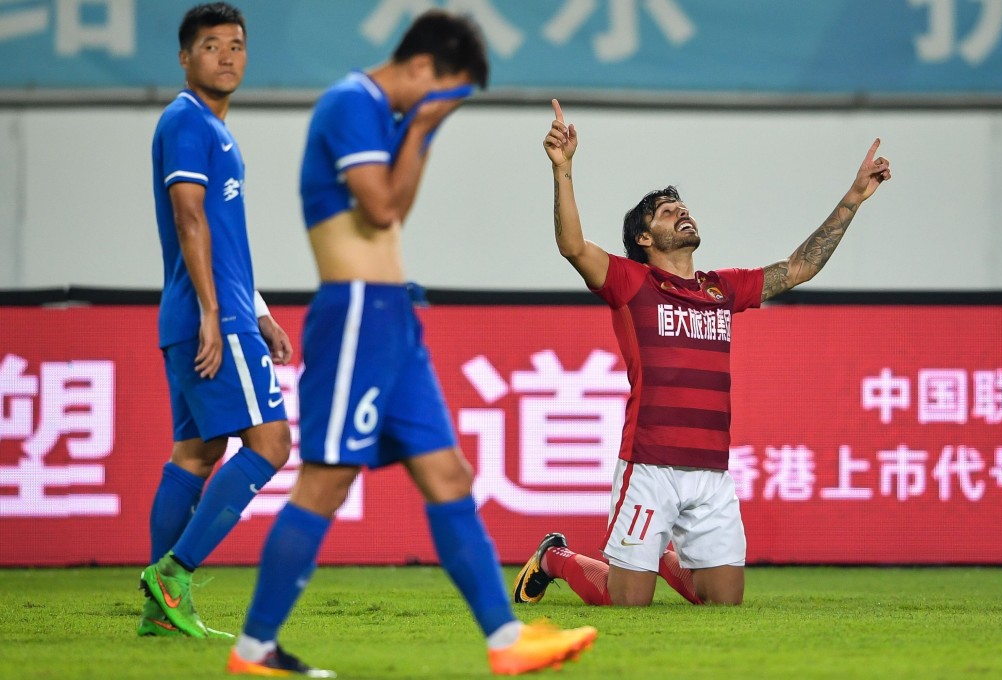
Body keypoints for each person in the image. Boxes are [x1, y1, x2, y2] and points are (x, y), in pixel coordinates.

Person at [226, 12, 597, 678]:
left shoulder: (385, 117)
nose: (445, 109)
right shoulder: (349, 103)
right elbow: (382, 209)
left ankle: (505, 640)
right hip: (357, 314)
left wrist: (421, 124)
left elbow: (391, 209)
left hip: (393, 315)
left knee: (449, 475)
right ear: (423, 69)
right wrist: (426, 125)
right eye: (448, 93)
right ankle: (254, 650)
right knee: (325, 483)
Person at [514, 99, 892, 608]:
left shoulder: (721, 289)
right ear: (645, 238)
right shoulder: (633, 282)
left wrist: (853, 198)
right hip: (649, 466)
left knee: (722, 605)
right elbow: (573, 246)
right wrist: (563, 170)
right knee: (629, 604)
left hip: (712, 472)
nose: (682, 213)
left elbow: (798, 268)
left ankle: (662, 556)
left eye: (682, 208)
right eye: (667, 212)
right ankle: (555, 556)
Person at [139, 2, 293, 639]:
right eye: (211, 45)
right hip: (209, 314)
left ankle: (159, 610)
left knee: (197, 452)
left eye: (236, 44)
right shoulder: (187, 122)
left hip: (210, 310)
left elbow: (222, 237)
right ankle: (172, 575)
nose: (227, 55)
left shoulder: (210, 127)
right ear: (184, 57)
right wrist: (217, 312)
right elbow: (189, 220)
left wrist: (257, 310)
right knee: (271, 444)